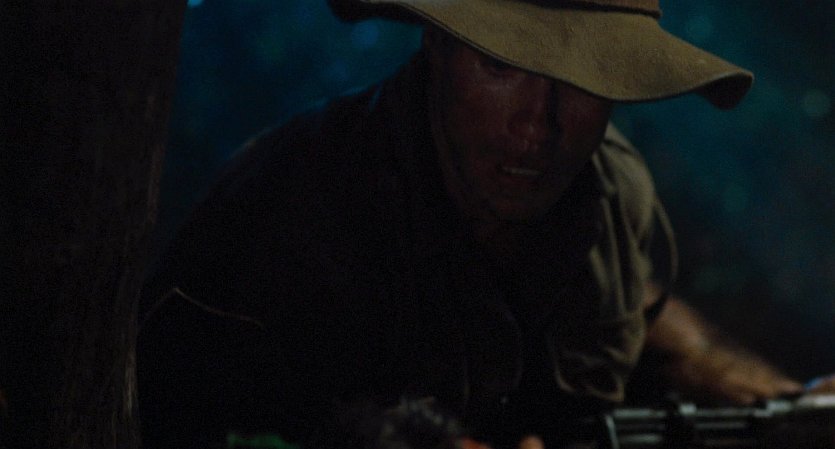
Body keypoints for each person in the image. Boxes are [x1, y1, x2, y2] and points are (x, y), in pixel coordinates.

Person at [136, 1, 828, 448]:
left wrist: (787, 403)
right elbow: (182, 411)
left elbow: (632, 309)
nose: (536, 126)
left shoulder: (611, 190)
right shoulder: (287, 204)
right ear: (436, 48)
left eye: (587, 79)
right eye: (501, 65)